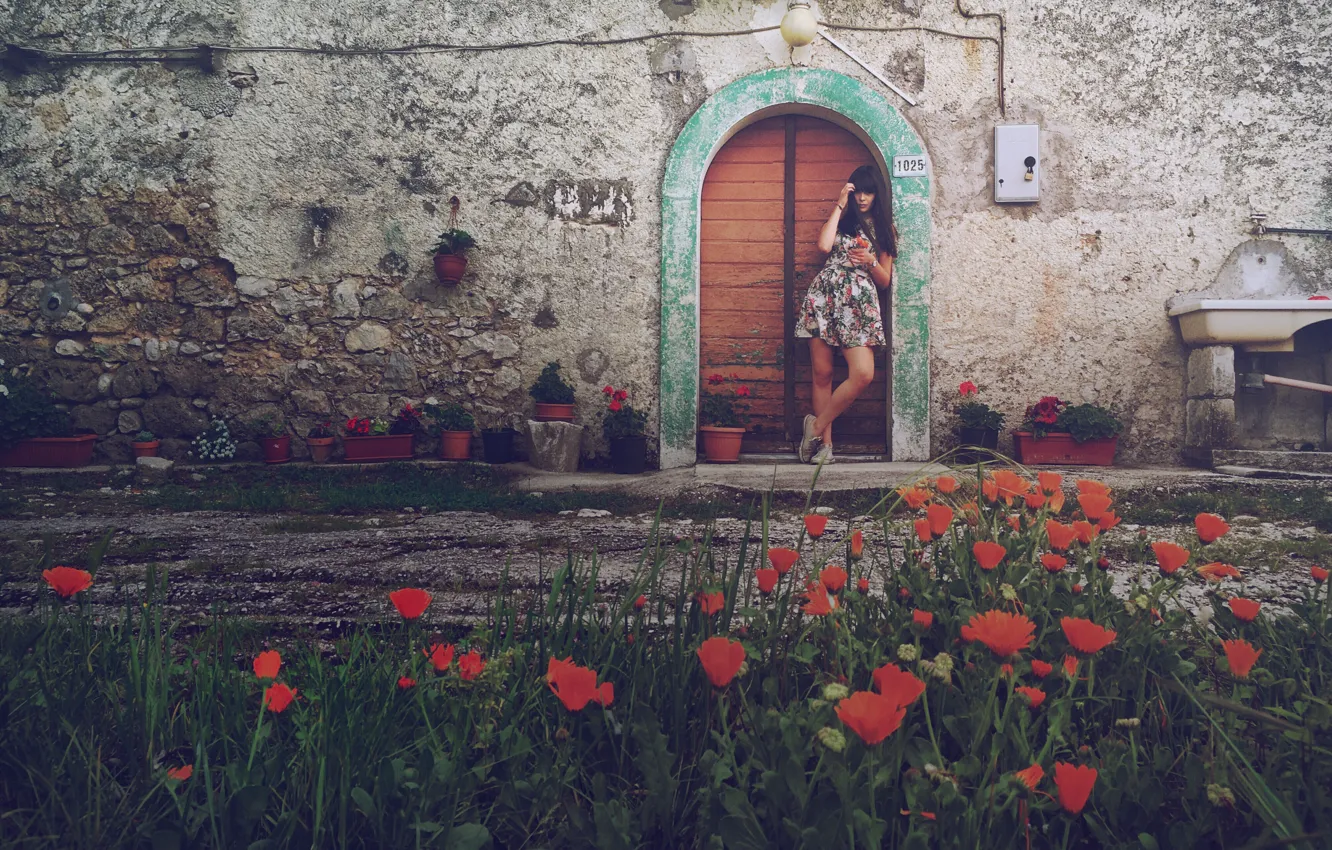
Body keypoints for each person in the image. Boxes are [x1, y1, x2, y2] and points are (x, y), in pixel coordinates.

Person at [794, 164, 896, 464]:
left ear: (878, 194)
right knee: (822, 374)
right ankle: (825, 447)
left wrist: (870, 261)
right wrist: (840, 203)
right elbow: (824, 245)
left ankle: (814, 426)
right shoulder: (843, 221)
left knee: (863, 374)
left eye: (868, 192)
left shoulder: (885, 230)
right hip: (824, 298)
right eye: (858, 191)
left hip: (859, 303)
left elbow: (886, 280)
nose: (863, 198)